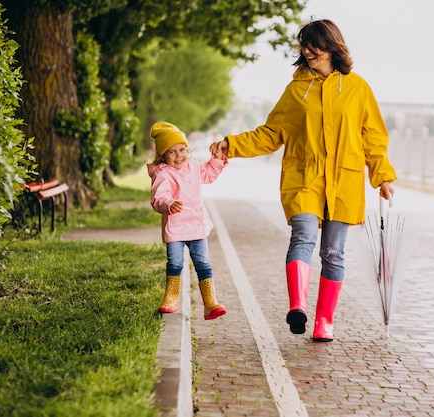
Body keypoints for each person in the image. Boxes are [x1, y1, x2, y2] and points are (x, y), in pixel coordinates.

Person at [211, 19, 396, 342]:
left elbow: (372, 137)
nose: (308, 51)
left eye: (314, 45)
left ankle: (325, 320)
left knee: (334, 253)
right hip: (304, 177)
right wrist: (232, 144)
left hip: (344, 181)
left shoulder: (357, 88)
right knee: (303, 235)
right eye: (304, 45)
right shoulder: (296, 90)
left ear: (332, 46)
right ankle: (298, 307)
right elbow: (271, 133)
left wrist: (382, 175)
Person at [148, 121, 227, 320]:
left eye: (182, 149)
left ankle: (210, 303)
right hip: (176, 226)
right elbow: (158, 197)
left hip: (197, 225)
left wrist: (216, 160)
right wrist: (169, 203)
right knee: (175, 263)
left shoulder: (192, 165)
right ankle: (171, 298)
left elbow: (208, 175)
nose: (179, 156)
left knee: (203, 263)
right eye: (172, 152)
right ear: (163, 155)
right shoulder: (163, 173)